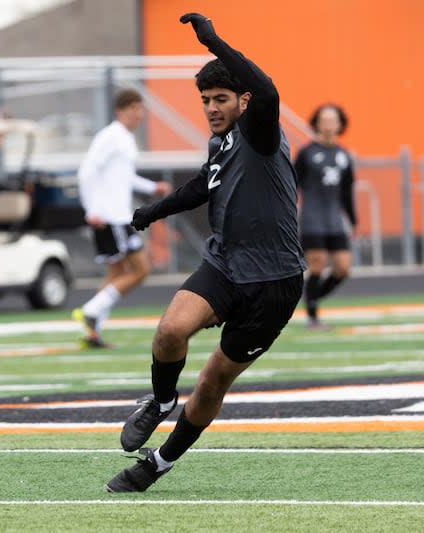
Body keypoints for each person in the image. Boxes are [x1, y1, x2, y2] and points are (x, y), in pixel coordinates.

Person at [105, 13, 306, 492]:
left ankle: (159, 464)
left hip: (274, 283)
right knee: (171, 329)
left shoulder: (261, 129)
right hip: (225, 264)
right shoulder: (220, 143)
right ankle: (160, 401)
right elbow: (201, 187)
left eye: (221, 99)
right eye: (206, 101)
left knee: (214, 380)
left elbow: (270, 90)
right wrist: (151, 212)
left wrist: (215, 42)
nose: (212, 108)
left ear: (244, 100)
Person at [72, 88, 172, 348]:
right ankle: (91, 311)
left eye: (140, 109)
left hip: (116, 215)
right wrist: (91, 209)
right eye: (134, 109)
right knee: (140, 270)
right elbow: (86, 172)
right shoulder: (111, 136)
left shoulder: (124, 139)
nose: (138, 114)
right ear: (120, 111)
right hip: (110, 216)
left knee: (116, 273)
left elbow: (125, 176)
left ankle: (91, 332)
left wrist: (152, 188)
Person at [295, 104, 356, 329]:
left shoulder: (344, 155)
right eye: (324, 120)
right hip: (312, 219)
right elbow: (292, 183)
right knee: (318, 266)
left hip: (335, 220)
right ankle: (313, 317)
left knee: (342, 268)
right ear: (316, 123)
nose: (329, 124)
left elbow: (347, 191)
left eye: (333, 120)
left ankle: (311, 298)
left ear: (340, 125)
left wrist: (353, 219)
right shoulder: (307, 153)